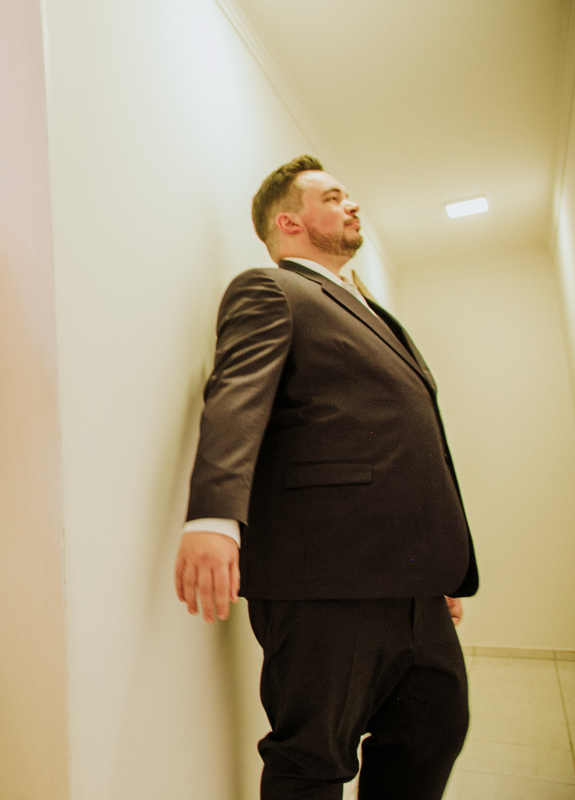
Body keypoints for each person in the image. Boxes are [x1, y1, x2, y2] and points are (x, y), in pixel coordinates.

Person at [175, 155, 478, 799]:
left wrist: (437, 569)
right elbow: (236, 395)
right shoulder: (272, 289)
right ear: (289, 221)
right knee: (313, 758)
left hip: (416, 584)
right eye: (334, 197)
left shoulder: (371, 309)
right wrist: (214, 515)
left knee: (434, 730)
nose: (353, 204)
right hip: (326, 576)